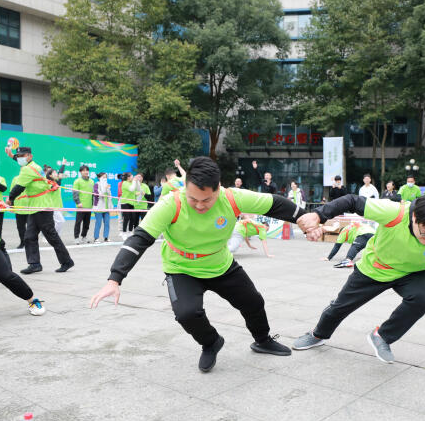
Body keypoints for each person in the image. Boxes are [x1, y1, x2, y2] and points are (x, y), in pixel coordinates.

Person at [90, 157, 307, 373]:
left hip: (219, 263)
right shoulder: (170, 204)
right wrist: (114, 279)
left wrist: (307, 218)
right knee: (186, 314)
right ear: (185, 187)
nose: (200, 205)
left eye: (207, 200)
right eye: (194, 199)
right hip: (181, 268)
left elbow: (275, 204)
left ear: (218, 188)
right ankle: (211, 342)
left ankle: (262, 340)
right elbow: (139, 239)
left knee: (253, 302)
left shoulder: (232, 198)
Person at [292, 194, 425, 363]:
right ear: (414, 218)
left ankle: (382, 336)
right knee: (340, 307)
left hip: (412, 272)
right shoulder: (395, 212)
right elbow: (352, 201)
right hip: (375, 268)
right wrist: (319, 215)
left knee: (423, 298)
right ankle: (318, 334)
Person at [6, 147, 75, 274]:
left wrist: (10, 199)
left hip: (42, 206)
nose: (20, 158)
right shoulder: (33, 166)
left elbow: (19, 187)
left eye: (23, 156)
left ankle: (67, 261)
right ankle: (34, 264)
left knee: (51, 236)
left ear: (30, 156)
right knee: (29, 236)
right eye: (19, 156)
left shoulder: (28, 169)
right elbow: (22, 163)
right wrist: (12, 156)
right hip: (35, 207)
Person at [72, 165, 95, 244]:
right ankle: (76, 237)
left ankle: (84, 236)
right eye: (84, 170)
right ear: (80, 172)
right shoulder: (77, 181)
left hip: (89, 206)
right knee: (78, 222)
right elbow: (75, 193)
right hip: (81, 206)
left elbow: (93, 194)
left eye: (87, 170)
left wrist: (93, 204)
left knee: (87, 223)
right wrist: (78, 202)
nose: (86, 172)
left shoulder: (92, 181)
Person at [93, 172, 112, 242]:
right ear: (99, 178)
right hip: (98, 207)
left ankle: (106, 237)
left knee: (107, 223)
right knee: (98, 222)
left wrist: (108, 189)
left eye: (106, 177)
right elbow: (97, 194)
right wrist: (104, 190)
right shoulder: (96, 184)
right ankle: (96, 238)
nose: (105, 178)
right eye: (103, 177)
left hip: (106, 207)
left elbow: (109, 195)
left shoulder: (107, 185)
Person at [119, 172, 136, 238]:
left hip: (132, 203)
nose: (133, 177)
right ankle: (124, 232)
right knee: (126, 218)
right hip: (125, 202)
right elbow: (131, 189)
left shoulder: (132, 183)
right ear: (128, 177)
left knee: (132, 218)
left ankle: (130, 231)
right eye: (132, 176)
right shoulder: (125, 183)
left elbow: (135, 188)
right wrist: (134, 181)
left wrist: (136, 181)